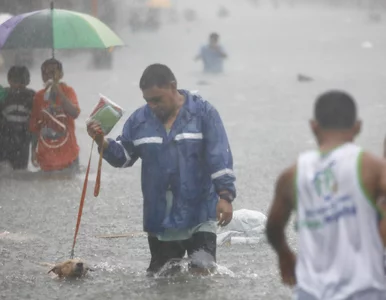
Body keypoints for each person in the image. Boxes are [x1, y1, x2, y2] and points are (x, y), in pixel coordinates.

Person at [87, 63, 236, 275]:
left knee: (202, 276)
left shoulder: (203, 113)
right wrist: (102, 142)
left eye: (157, 99)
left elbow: (219, 156)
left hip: (201, 213)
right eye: (148, 101)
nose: (153, 106)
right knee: (162, 279)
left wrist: (225, 196)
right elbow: (124, 157)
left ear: (173, 86)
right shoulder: (140, 120)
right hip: (161, 218)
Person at [266, 90, 386, 300]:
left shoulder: (292, 174)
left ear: (314, 126)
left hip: (310, 293)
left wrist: (284, 255)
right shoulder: (372, 168)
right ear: (357, 126)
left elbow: (273, 228)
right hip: (364, 292)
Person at [29, 58, 80, 172]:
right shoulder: (39, 96)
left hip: (69, 156)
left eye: (52, 72)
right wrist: (33, 151)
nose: (48, 76)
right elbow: (35, 127)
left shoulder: (68, 91)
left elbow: (75, 113)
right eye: (45, 73)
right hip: (46, 157)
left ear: (60, 74)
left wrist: (59, 93)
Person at [0, 66, 35, 170]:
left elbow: (36, 121)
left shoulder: (32, 96)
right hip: (4, 139)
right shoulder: (3, 94)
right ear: (9, 80)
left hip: (23, 141)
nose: (18, 85)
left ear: (28, 81)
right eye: (15, 81)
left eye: (22, 82)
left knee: (20, 172)